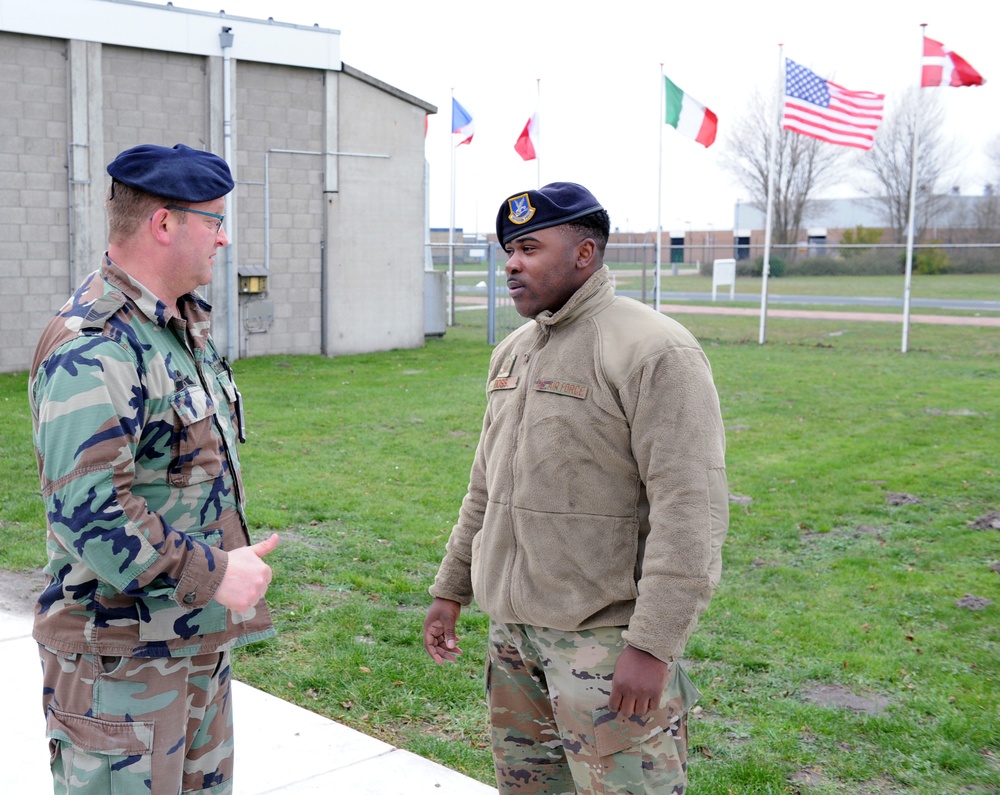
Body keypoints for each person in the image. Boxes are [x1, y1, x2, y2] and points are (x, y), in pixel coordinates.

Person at [424, 182, 729, 794]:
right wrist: (451, 587)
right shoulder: (512, 352)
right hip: (513, 637)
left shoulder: (653, 350)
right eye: (508, 248)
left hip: (606, 645)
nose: (511, 263)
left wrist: (653, 645)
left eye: (530, 247)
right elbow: (485, 488)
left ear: (584, 254)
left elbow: (689, 509)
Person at [28, 143, 280, 795]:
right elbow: (91, 514)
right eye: (214, 221)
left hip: (187, 645)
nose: (224, 240)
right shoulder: (96, 344)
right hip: (119, 667)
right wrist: (215, 572)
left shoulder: (177, 327)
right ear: (164, 223)